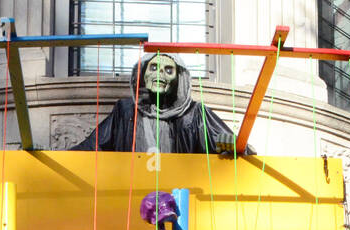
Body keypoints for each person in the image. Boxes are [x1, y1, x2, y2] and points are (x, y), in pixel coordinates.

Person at [70, 52, 252, 155]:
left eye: (168, 70)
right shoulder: (126, 111)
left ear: (179, 78)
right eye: (154, 68)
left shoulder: (194, 114)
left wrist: (230, 145)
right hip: (128, 198)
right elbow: (92, 146)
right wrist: (47, 156)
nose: (160, 75)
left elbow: (241, 149)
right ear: (143, 75)